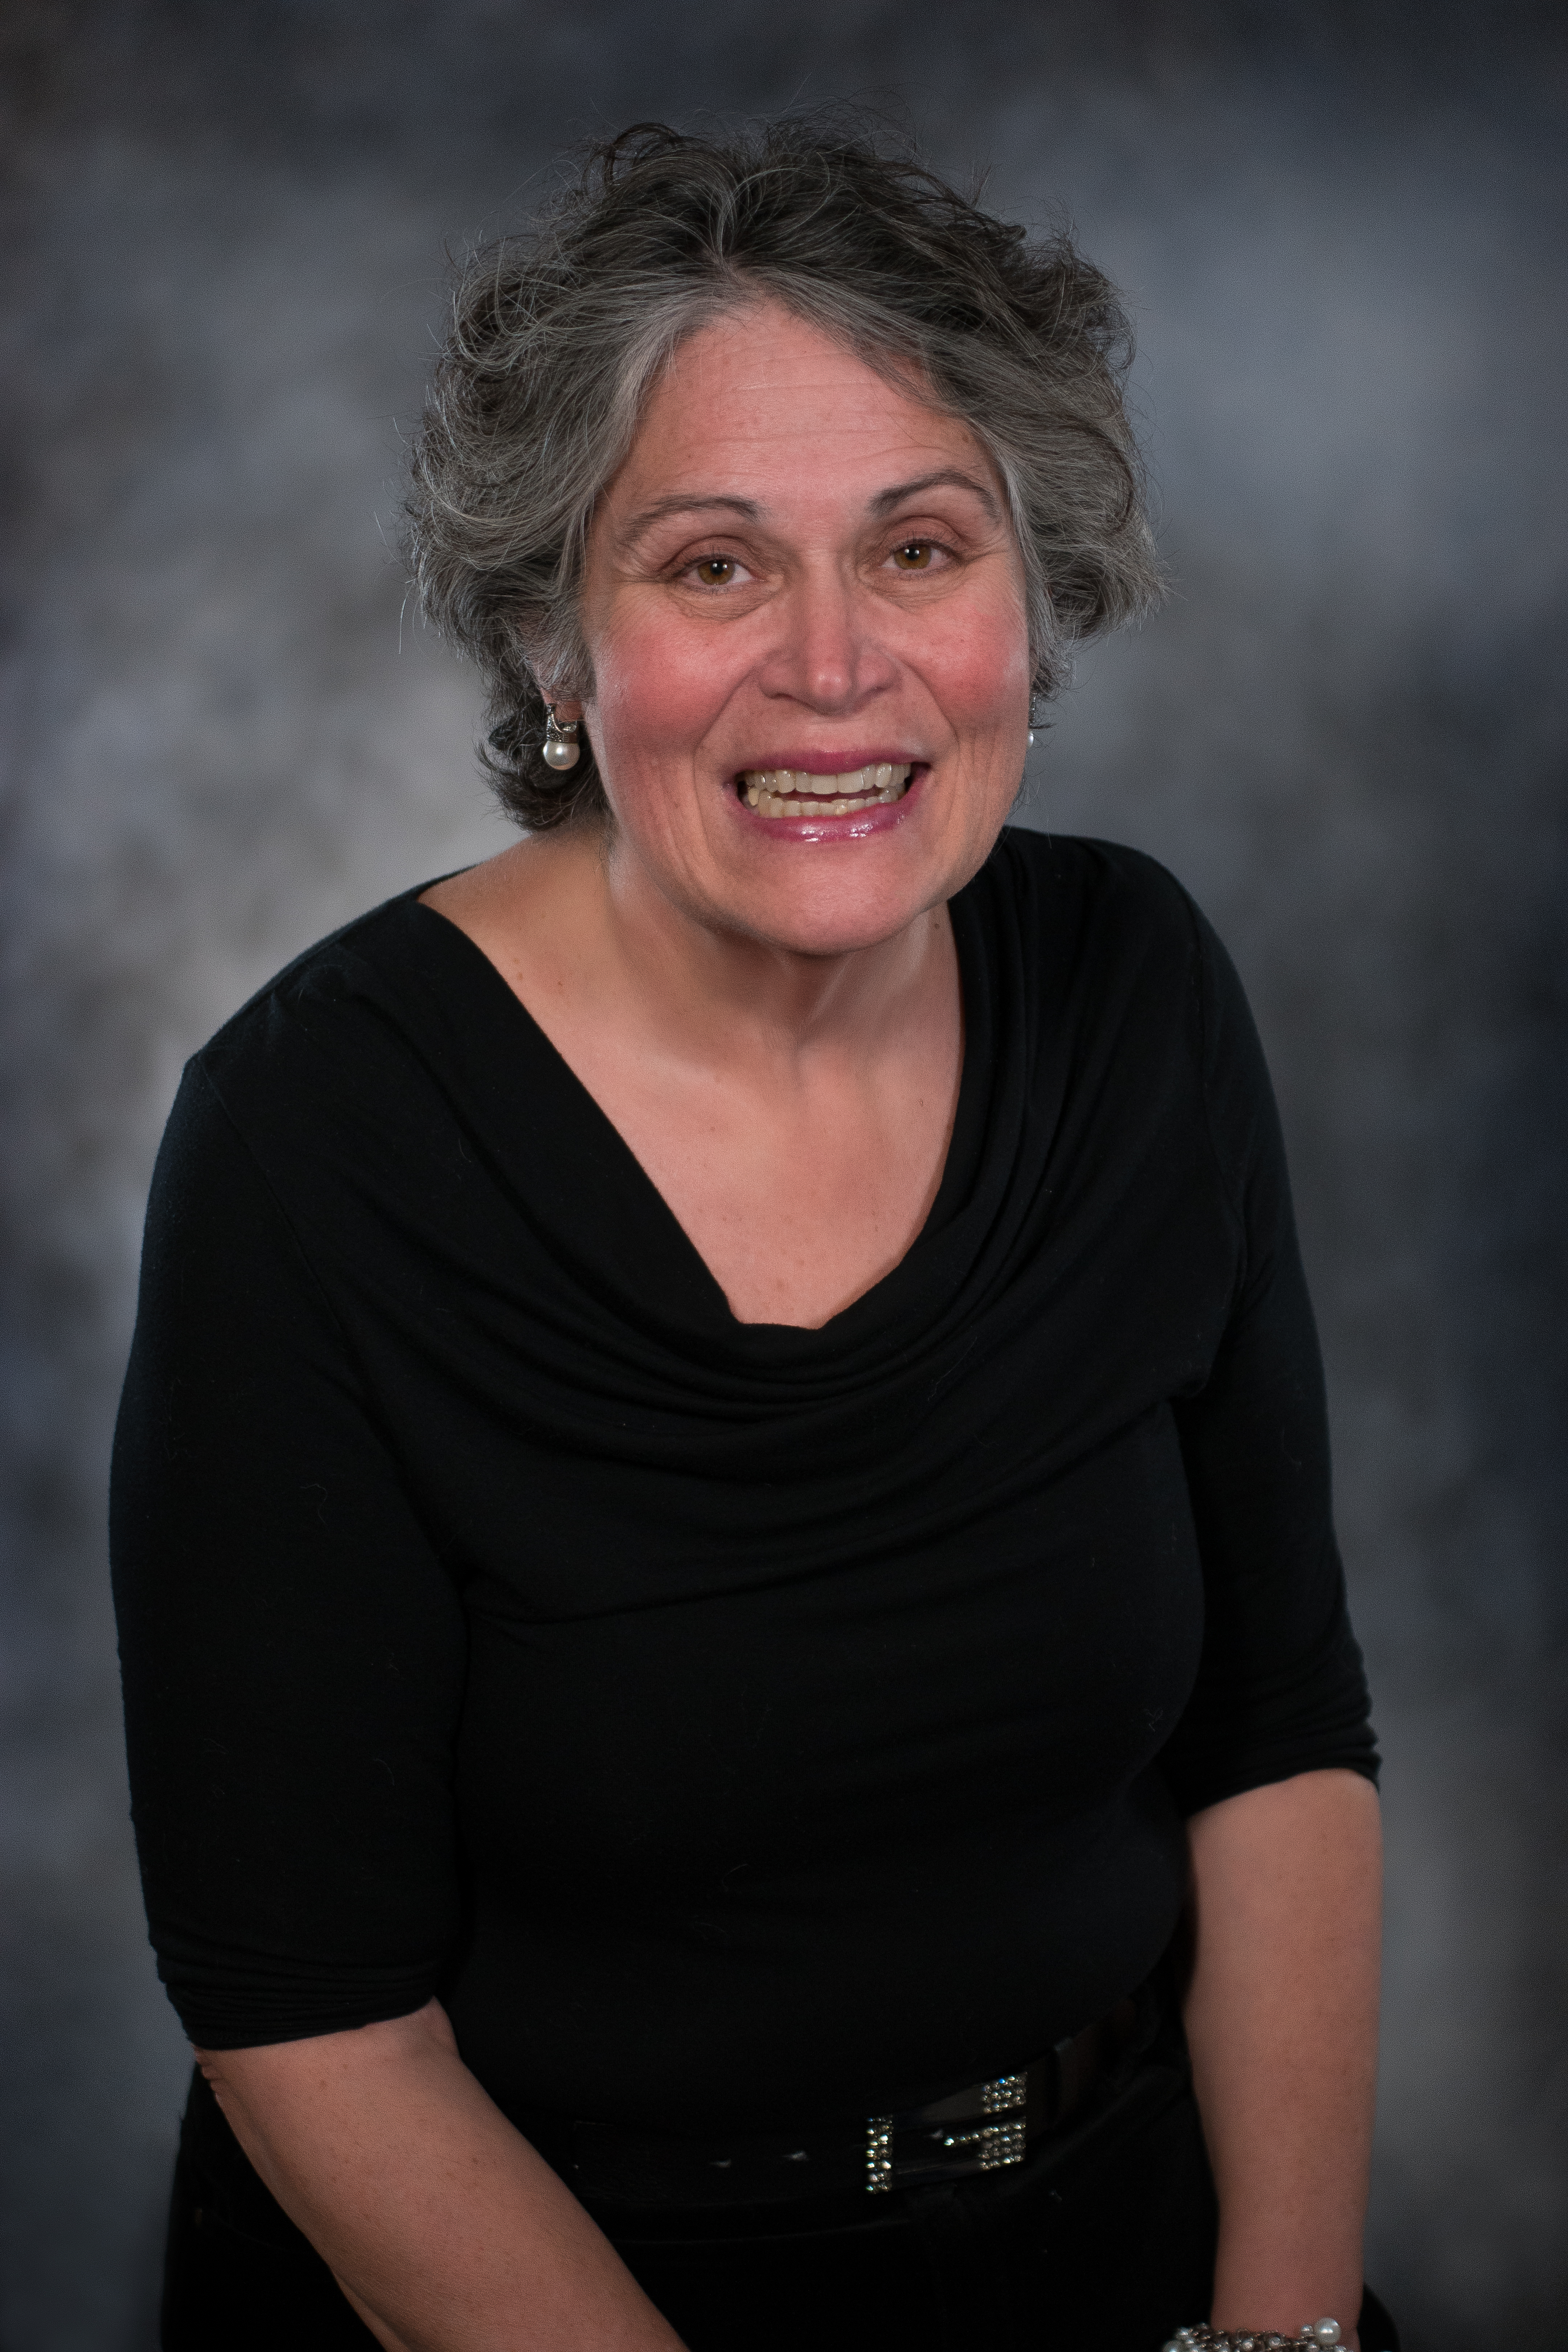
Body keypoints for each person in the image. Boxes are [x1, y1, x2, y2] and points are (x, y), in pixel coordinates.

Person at [111, 119, 1395, 2352]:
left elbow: (1280, 1734)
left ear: (1031, 596)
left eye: (918, 546)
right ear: (551, 639)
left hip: (1129, 2255)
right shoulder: (314, 1143)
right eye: (713, 567)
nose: (835, 668)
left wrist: (1278, 2338)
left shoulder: (1138, 989)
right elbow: (309, 2019)